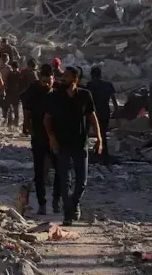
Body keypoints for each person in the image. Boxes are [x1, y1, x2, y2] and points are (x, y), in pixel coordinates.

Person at [45, 66, 103, 226]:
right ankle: (68, 214)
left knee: (82, 181)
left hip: (80, 142)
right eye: (63, 75)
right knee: (64, 180)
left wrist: (99, 138)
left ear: (75, 79)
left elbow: (92, 117)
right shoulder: (56, 96)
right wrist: (51, 138)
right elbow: (48, 118)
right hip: (62, 142)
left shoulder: (85, 95)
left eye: (67, 76)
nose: (63, 78)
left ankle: (72, 205)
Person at [20, 64, 61, 215]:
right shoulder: (34, 90)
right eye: (43, 81)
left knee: (59, 170)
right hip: (38, 135)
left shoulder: (59, 90)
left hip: (56, 137)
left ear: (53, 78)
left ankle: (57, 201)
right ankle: (42, 203)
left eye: (48, 81)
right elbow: (26, 107)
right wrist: (25, 124)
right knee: (39, 171)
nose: (46, 84)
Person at [86, 66, 118, 166]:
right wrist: (116, 112)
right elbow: (114, 100)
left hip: (94, 113)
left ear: (92, 75)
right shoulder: (108, 85)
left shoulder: (90, 84)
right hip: (105, 112)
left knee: (91, 133)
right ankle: (103, 154)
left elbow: (87, 99)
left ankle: (97, 154)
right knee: (103, 133)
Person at [2, 61, 23, 126]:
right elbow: (22, 85)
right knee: (16, 109)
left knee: (10, 109)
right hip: (17, 94)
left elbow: (6, 84)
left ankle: (9, 123)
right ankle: (16, 123)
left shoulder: (10, 74)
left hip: (9, 93)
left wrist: (4, 91)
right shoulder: (20, 74)